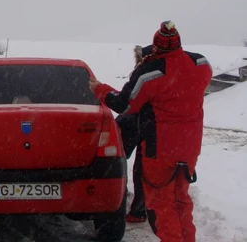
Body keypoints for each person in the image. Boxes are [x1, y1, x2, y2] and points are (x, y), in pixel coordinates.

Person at [89, 21, 212, 242]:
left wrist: (100, 89)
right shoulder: (201, 64)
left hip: (160, 150)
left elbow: (124, 105)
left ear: (155, 46)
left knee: (161, 205)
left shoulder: (151, 72)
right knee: (181, 200)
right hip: (190, 148)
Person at [115, 44, 154, 223]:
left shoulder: (143, 73)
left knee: (127, 163)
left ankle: (137, 208)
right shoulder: (152, 72)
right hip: (144, 123)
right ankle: (140, 206)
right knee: (140, 166)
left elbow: (129, 99)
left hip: (135, 122)